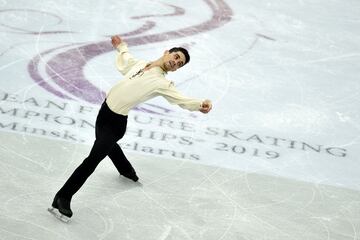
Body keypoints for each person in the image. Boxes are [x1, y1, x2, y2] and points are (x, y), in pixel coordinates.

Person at [49, 35, 213, 220]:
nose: (175, 63)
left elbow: (181, 99)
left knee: (93, 159)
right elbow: (126, 60)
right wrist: (121, 46)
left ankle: (63, 196)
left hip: (115, 124)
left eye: (179, 64)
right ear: (167, 52)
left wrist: (200, 105)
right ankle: (126, 170)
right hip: (104, 113)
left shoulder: (162, 83)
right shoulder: (141, 64)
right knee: (108, 147)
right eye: (176, 57)